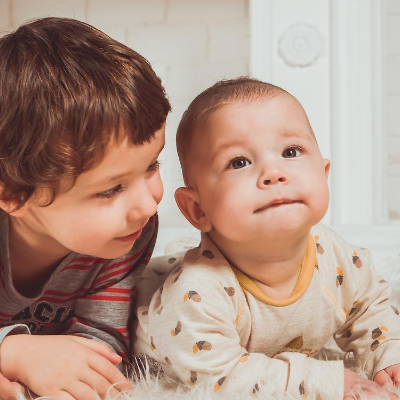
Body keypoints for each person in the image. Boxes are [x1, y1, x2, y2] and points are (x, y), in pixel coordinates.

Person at [134, 78, 400, 399]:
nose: (274, 173)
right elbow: (219, 377)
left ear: (323, 173)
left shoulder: (338, 256)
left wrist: (388, 355)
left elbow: (370, 309)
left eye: (291, 151)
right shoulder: (195, 293)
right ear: (197, 208)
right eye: (239, 162)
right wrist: (324, 381)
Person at [0, 17, 170, 400]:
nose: (147, 204)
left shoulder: (127, 234)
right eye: (111, 189)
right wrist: (13, 353)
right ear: (15, 193)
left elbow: (102, 343)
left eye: (152, 166)